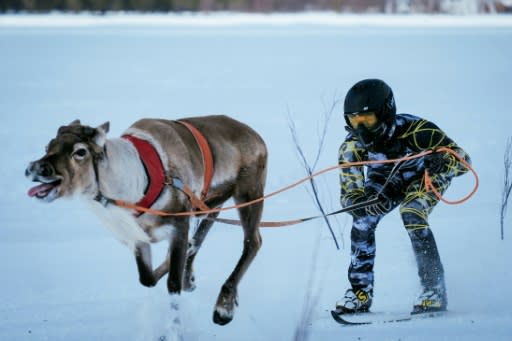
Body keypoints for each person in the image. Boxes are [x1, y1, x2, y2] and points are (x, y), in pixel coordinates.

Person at [335, 79, 471, 315]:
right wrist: (364, 203)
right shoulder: (352, 148)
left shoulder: (418, 131)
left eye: (367, 120)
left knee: (412, 211)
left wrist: (443, 161)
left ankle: (433, 288)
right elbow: (350, 196)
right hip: (385, 182)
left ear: (385, 113)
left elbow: (464, 162)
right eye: (353, 121)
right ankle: (360, 292)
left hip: (425, 175)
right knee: (363, 220)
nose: (361, 129)